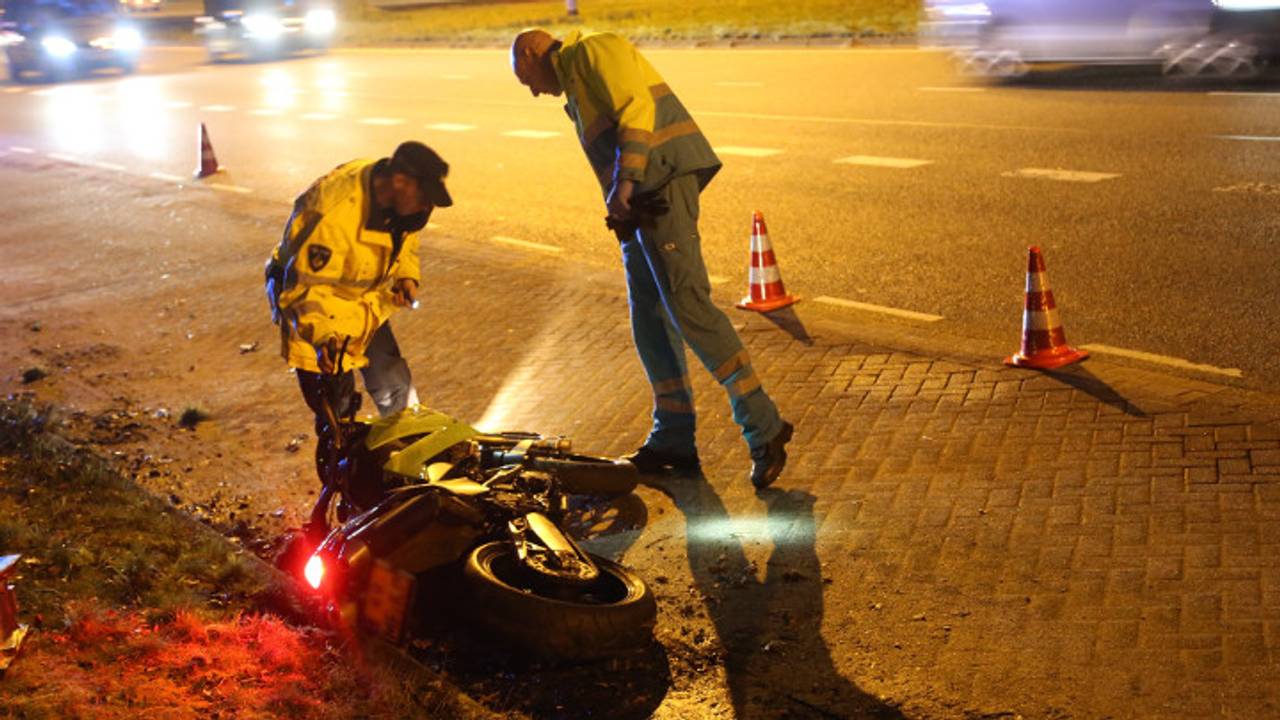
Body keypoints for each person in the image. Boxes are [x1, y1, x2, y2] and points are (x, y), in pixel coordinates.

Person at [509, 29, 793, 489]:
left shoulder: (592, 51)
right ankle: (673, 440)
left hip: (658, 185)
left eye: (526, 79)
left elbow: (637, 111)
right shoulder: (576, 88)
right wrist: (619, 203)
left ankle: (764, 426)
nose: (534, 91)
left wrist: (626, 184)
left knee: (690, 308)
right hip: (640, 200)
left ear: (531, 53)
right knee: (650, 317)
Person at [264, 140, 452, 487]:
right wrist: (323, 340)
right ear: (400, 181)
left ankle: (410, 468)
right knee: (339, 419)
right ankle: (342, 497)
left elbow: (406, 236)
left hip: (359, 304)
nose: (427, 206)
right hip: (313, 315)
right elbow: (304, 289)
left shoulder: (400, 202)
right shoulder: (334, 212)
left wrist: (406, 274)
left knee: (395, 386)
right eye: (424, 196)